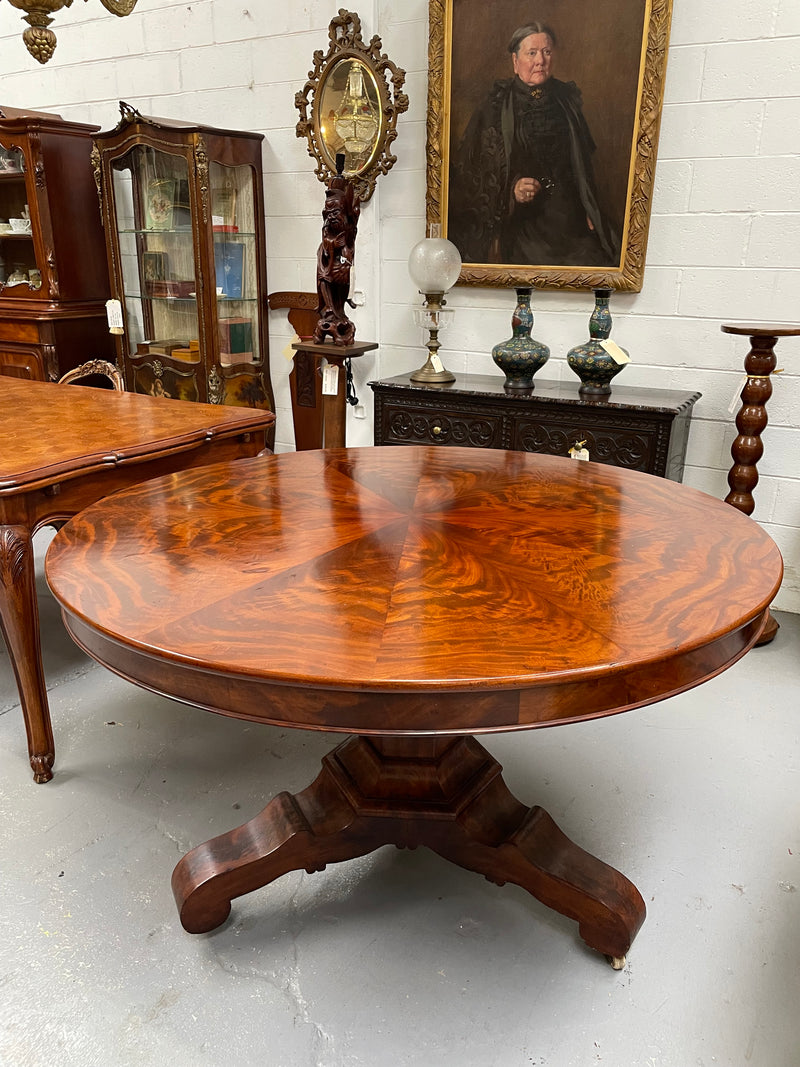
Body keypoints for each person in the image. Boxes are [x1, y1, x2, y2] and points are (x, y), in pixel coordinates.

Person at [448, 22, 620, 268]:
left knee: (596, 261)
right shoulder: (495, 106)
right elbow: (473, 175)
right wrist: (511, 191)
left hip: (569, 218)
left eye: (547, 52)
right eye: (532, 53)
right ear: (515, 61)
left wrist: (589, 208)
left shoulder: (567, 100)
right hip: (521, 223)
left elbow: (582, 165)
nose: (540, 60)